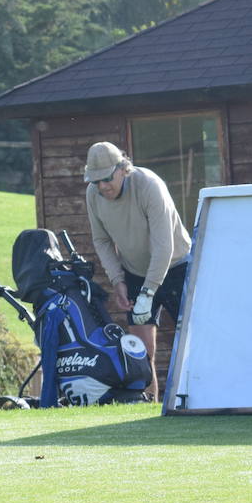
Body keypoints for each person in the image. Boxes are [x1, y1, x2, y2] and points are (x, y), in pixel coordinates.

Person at [82, 141, 191, 399]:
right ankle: (149, 404)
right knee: (142, 350)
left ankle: (195, 399)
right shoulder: (93, 194)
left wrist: (148, 292)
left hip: (177, 266)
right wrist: (118, 280)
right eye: (95, 181)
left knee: (190, 340)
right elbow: (101, 240)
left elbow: (164, 246)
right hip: (134, 271)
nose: (102, 186)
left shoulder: (150, 186)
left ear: (123, 168)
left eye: (106, 179)